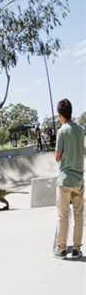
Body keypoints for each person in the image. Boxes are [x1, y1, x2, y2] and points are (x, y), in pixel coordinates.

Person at [54, 98, 83, 259]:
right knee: (79, 215)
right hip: (79, 180)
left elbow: (57, 157)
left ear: (61, 115)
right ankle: (77, 249)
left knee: (63, 215)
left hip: (65, 180)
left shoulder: (62, 131)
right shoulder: (81, 129)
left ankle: (62, 248)